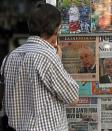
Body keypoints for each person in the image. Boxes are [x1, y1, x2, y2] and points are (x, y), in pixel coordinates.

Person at [1, 2, 79, 131]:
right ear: (57, 28)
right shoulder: (47, 57)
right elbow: (73, 98)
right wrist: (57, 61)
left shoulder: (9, 57)